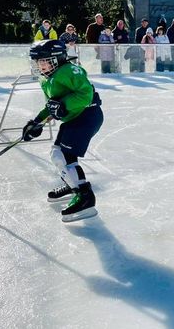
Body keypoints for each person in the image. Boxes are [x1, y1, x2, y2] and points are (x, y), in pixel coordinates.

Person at [21, 39, 103, 222]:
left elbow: (85, 94)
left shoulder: (68, 70)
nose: (40, 66)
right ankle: (72, 184)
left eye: (45, 61)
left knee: (62, 156)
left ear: (57, 59)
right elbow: (52, 105)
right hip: (75, 118)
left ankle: (85, 197)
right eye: (38, 62)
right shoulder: (47, 80)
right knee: (57, 155)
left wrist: (62, 106)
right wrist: (36, 122)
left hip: (87, 116)